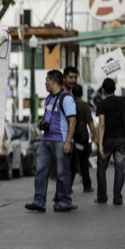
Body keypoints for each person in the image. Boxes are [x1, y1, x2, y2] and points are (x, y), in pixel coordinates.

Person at [25, 70, 77, 213]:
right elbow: (49, 116)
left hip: (61, 141)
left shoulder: (66, 98)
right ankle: (39, 201)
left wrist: (67, 142)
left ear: (53, 80)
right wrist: (41, 122)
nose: (45, 83)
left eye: (47, 80)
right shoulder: (48, 99)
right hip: (46, 140)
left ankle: (65, 201)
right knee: (41, 171)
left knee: (62, 173)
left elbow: (73, 121)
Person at [95, 78, 125, 205]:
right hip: (121, 140)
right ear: (114, 89)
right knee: (120, 168)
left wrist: (100, 144)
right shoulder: (122, 100)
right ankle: (117, 197)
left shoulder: (102, 104)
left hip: (107, 140)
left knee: (101, 168)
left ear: (103, 90)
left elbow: (101, 125)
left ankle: (102, 196)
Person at [69, 84, 97, 192]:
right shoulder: (84, 105)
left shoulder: (69, 103)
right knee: (84, 162)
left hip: (71, 137)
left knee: (72, 163)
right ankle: (87, 186)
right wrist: (95, 137)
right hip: (82, 137)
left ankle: (68, 186)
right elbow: (90, 123)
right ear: (82, 93)